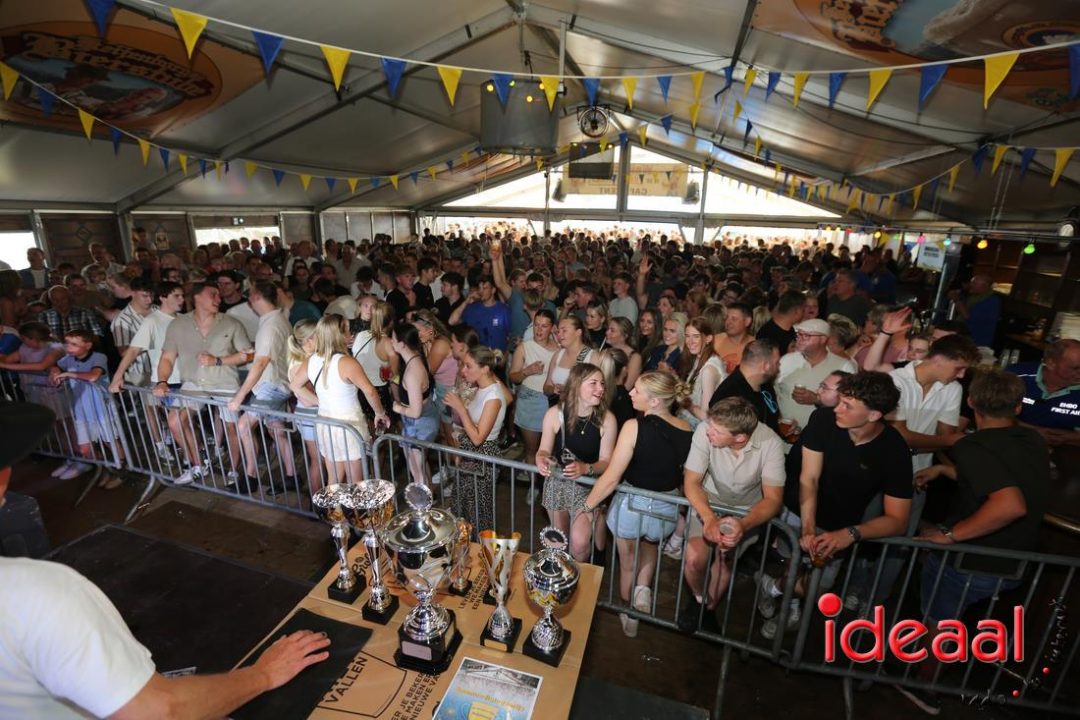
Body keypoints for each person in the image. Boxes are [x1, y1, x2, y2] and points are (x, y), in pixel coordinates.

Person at [899, 369, 1051, 715]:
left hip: (972, 561)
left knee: (940, 623)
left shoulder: (971, 446)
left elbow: (1009, 504)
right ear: (1017, 407)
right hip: (1015, 561)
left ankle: (925, 686)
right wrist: (944, 470)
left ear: (970, 402)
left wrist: (950, 535)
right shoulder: (1033, 440)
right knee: (960, 620)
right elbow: (1002, 477)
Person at [760, 372, 912, 639]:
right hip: (800, 509)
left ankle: (773, 588)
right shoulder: (823, 419)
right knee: (792, 566)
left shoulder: (894, 449)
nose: (837, 409)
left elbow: (898, 520)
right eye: (840, 400)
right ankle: (788, 609)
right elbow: (809, 477)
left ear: (874, 415)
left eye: (847, 406)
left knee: (818, 587)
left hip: (841, 527)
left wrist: (851, 534)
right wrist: (808, 528)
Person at [579, 370, 694, 638]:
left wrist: (587, 506)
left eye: (637, 391)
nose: (630, 393)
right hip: (666, 507)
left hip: (632, 505)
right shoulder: (686, 428)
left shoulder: (633, 426)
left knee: (627, 562)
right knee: (650, 546)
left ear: (654, 401)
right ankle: (643, 589)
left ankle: (630, 613)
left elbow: (611, 477)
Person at [680, 397, 786, 630]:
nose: (709, 432)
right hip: (707, 502)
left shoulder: (771, 443)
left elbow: (773, 499)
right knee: (694, 560)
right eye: (710, 426)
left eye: (717, 432)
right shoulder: (704, 431)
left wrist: (744, 525)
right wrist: (709, 518)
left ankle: (707, 610)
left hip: (746, 512)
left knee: (724, 562)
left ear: (740, 438)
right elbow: (692, 481)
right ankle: (699, 599)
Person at [153, 283, 253, 488]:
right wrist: (162, 381)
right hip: (194, 382)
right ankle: (198, 465)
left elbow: (248, 354)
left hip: (225, 382)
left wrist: (218, 361)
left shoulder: (231, 323)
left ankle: (234, 470)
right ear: (197, 297)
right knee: (175, 421)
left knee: (231, 427)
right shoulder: (178, 324)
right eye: (213, 294)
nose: (219, 298)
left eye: (218, 295)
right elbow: (167, 358)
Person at [291, 315, 389, 484]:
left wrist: (320, 402)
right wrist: (380, 413)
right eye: (347, 330)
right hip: (349, 426)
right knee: (356, 481)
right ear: (338, 335)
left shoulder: (311, 360)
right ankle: (353, 504)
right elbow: (370, 391)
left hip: (326, 423)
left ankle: (334, 503)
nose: (351, 334)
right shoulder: (347, 362)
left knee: (334, 478)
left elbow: (294, 386)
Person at [536, 363, 617, 561]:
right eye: (593, 383)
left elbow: (607, 462)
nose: (600, 388)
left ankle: (583, 576)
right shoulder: (555, 414)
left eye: (602, 384)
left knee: (579, 543)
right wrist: (541, 458)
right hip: (558, 484)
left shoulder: (607, 419)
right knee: (559, 541)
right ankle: (564, 575)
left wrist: (586, 468)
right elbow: (543, 449)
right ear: (576, 385)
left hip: (588, 488)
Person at [228, 282, 296, 495]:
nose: (247, 301)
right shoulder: (277, 319)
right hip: (278, 383)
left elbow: (261, 362)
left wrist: (240, 396)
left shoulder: (271, 324)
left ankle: (250, 478)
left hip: (271, 385)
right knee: (276, 430)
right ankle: (291, 476)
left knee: (243, 425)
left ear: (256, 297)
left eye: (249, 296)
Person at [109, 281, 185, 464]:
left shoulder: (179, 317)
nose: (182, 300)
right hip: (154, 375)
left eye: (183, 296)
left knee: (181, 421)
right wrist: (118, 376)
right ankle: (171, 450)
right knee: (163, 414)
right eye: (177, 296)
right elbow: (131, 350)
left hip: (184, 376)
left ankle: (191, 456)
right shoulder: (143, 320)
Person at [443, 346, 510, 531]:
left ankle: (480, 548)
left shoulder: (494, 396)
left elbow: (478, 438)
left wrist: (461, 408)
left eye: (468, 366)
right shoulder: (480, 389)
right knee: (463, 508)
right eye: (463, 365)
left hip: (483, 459)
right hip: (470, 456)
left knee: (479, 515)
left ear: (485, 369)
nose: (463, 370)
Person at [50, 329, 124, 489]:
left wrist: (69, 374)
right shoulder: (68, 359)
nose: (69, 347)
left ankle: (121, 472)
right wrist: (54, 370)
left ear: (88, 345)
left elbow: (93, 375)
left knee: (110, 441)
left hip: (101, 408)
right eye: (67, 343)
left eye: (74, 344)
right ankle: (104, 468)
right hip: (81, 410)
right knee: (85, 448)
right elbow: (55, 365)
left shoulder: (99, 357)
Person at [775, 318, 857, 433]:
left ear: (823, 339)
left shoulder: (844, 366)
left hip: (822, 436)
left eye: (806, 336)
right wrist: (777, 419)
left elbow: (852, 403)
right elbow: (772, 394)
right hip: (784, 434)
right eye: (799, 334)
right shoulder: (786, 360)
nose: (799, 339)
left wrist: (817, 400)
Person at [391, 322, 441, 486]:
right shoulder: (418, 358)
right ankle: (429, 495)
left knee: (418, 475)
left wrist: (397, 407)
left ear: (402, 344)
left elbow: (415, 412)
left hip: (418, 426)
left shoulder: (412, 372)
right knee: (421, 467)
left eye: (393, 339)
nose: (391, 342)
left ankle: (424, 500)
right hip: (423, 421)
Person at [509, 308, 558, 470]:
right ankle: (533, 482)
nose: (539, 330)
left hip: (552, 401)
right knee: (532, 450)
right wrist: (527, 371)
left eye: (544, 326)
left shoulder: (559, 349)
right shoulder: (524, 347)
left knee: (551, 450)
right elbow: (513, 377)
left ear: (552, 328)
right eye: (536, 325)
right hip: (529, 401)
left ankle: (546, 482)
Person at [1007, 339, 1080, 447]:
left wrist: (1071, 437)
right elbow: (990, 414)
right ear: (1051, 363)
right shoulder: (1015, 376)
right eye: (1076, 368)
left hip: (1065, 448)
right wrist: (1032, 431)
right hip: (1011, 440)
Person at [709, 339, 781, 433]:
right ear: (766, 366)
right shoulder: (728, 396)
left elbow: (771, 419)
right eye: (777, 362)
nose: (779, 366)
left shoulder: (765, 383)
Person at [286, 319, 324, 493]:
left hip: (312, 415)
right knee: (318, 461)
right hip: (309, 416)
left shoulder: (308, 359)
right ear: (309, 340)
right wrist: (326, 402)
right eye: (320, 335)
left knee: (321, 460)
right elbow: (307, 399)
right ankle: (316, 500)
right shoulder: (299, 365)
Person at [352, 300, 397, 431]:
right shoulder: (388, 343)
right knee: (384, 429)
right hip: (379, 392)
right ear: (391, 321)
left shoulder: (360, 335)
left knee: (369, 427)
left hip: (360, 390)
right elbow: (393, 376)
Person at [543, 316, 598, 404]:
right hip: (557, 407)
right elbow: (546, 386)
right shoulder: (558, 355)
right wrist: (553, 389)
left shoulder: (592, 356)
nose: (559, 335)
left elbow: (597, 389)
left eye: (564, 330)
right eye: (558, 331)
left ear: (578, 332)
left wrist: (569, 390)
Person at [452, 276, 511, 352]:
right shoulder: (472, 308)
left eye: (484, 288)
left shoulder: (504, 310)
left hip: (498, 355)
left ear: (493, 290)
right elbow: (452, 321)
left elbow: (510, 336)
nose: (481, 291)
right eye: (479, 288)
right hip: (478, 355)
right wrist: (466, 301)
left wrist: (506, 354)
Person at [39, 285, 105, 341]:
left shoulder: (85, 313)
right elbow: (41, 338)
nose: (60, 302)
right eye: (55, 300)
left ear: (69, 298)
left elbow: (97, 334)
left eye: (63, 299)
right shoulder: (44, 316)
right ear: (51, 300)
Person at [754, 291, 805, 355]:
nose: (804, 313)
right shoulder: (767, 335)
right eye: (803, 310)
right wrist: (788, 356)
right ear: (797, 311)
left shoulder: (790, 330)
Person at [713, 301, 754, 375]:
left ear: (747, 321)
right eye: (726, 318)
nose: (728, 322)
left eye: (734, 319)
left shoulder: (755, 347)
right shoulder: (714, 341)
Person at [604, 316, 643, 391]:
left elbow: (627, 387)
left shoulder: (635, 357)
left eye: (612, 330)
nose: (607, 332)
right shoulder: (606, 351)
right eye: (608, 329)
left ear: (625, 336)